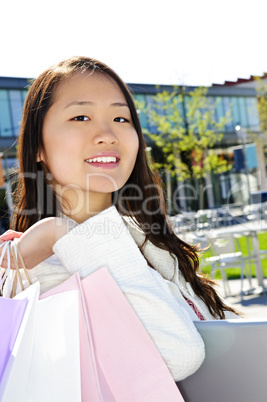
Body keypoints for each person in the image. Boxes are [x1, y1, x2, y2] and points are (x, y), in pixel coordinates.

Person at [0, 56, 239, 382]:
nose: (107, 133)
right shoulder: (40, 272)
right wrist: (58, 233)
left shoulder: (148, 240)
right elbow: (179, 355)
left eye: (121, 117)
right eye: (81, 116)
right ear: (38, 146)